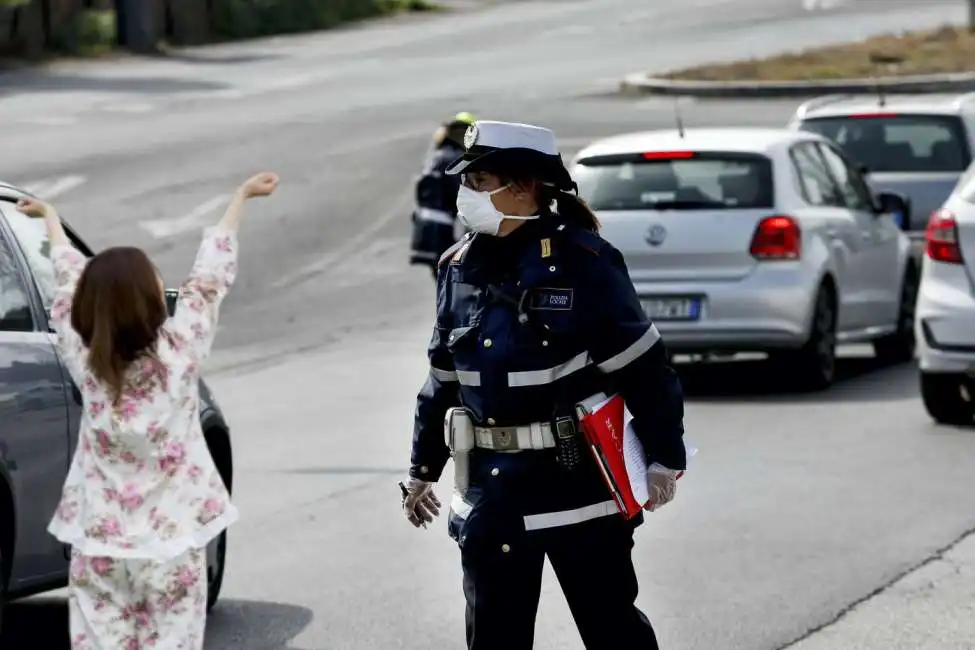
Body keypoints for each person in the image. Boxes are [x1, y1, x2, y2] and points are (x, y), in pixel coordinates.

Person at [400, 120, 687, 649]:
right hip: (492, 496)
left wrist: (665, 457)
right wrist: (421, 470)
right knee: (494, 640)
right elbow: (441, 380)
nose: (467, 194)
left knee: (613, 632)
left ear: (524, 186)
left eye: (480, 181)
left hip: (577, 490)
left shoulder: (586, 263)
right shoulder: (457, 267)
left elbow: (645, 370)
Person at [15, 171, 279, 650]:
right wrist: (239, 199)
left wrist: (51, 222)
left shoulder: (85, 360)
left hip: (98, 545)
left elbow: (67, 284)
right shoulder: (180, 352)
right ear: (152, 300)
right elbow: (207, 282)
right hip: (171, 545)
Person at [409, 111, 477, 278]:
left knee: (443, 277)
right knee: (450, 278)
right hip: (440, 231)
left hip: (425, 228)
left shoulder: (436, 157)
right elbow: (462, 196)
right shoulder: (453, 159)